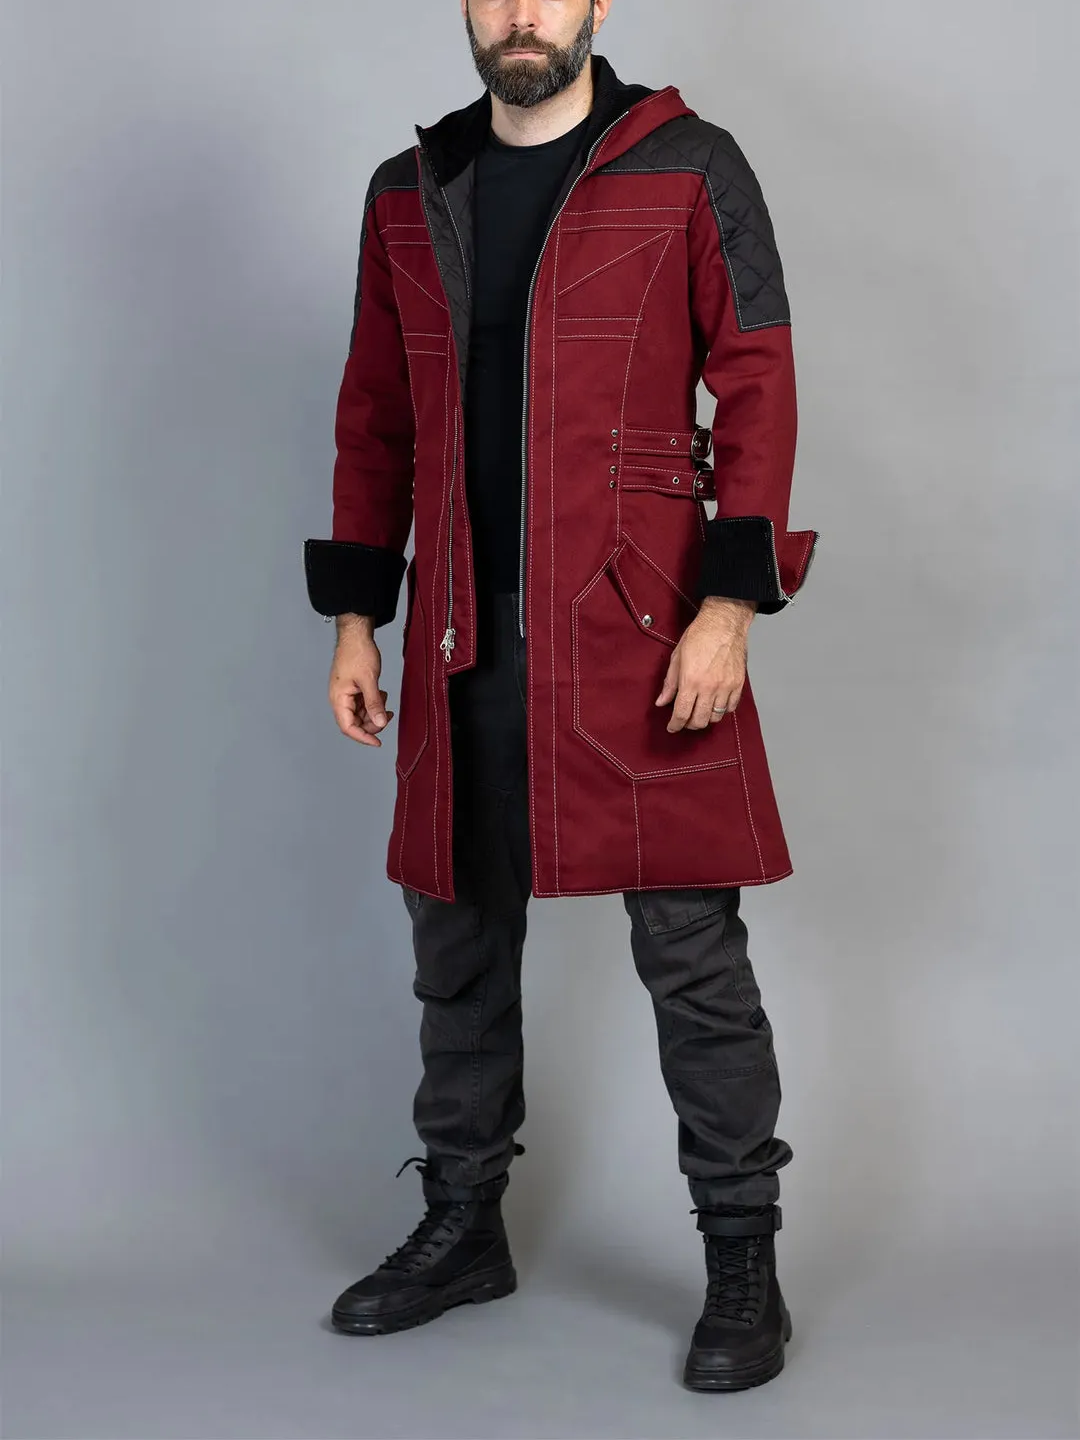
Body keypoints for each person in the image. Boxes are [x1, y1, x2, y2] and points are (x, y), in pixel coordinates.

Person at [304, 0, 818, 1393]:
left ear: (598, 2)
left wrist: (728, 609)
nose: (522, 12)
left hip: (641, 627)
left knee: (693, 957)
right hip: (460, 626)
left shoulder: (691, 164)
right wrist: (357, 621)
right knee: (456, 944)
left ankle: (743, 1258)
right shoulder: (408, 194)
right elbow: (374, 414)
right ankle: (464, 1225)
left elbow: (758, 383)